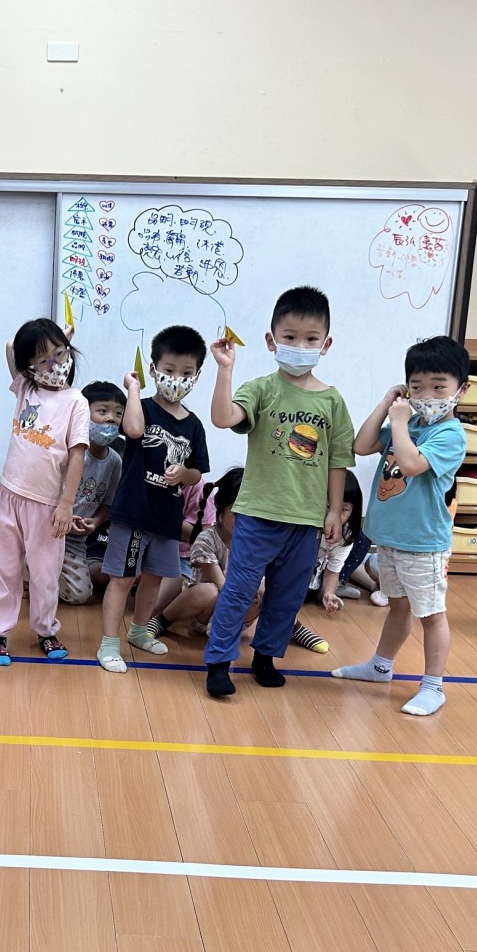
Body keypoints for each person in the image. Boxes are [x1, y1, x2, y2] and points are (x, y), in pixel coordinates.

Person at [204, 287, 356, 696]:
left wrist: (332, 510)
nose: (299, 346)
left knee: (287, 596)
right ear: (272, 341)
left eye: (310, 339)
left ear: (325, 344)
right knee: (239, 590)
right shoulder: (261, 389)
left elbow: (337, 460)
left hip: (305, 520)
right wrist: (224, 370)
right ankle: (218, 661)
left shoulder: (332, 401)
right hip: (258, 514)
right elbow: (222, 418)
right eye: (289, 337)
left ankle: (265, 656)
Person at [331, 335, 469, 715]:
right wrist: (385, 405)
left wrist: (400, 422)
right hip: (390, 540)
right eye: (417, 386)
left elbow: (409, 465)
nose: (426, 395)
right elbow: (361, 446)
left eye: (439, 387)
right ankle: (380, 667)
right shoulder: (406, 423)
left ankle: (434, 686)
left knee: (431, 615)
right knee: (398, 607)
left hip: (423, 544)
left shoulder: (449, 434)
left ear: (462, 389)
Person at [97, 325, 211, 674]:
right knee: (122, 579)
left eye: (187, 373)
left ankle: (138, 631)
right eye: (169, 370)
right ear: (154, 369)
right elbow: (133, 430)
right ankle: (109, 643)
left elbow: (197, 472)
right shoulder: (142, 408)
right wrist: (132, 388)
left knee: (154, 578)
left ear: (197, 376)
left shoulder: (194, 425)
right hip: (134, 512)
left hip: (167, 517)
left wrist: (183, 474)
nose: (177, 379)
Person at [0, 319, 89, 664]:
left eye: (60, 355)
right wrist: (52, 340)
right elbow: (10, 348)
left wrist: (66, 504)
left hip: (47, 507)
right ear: (29, 368)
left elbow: (77, 455)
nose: (54, 365)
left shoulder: (76, 401)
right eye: (43, 361)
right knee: (3, 569)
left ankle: (45, 629)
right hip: (8, 497)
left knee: (45, 575)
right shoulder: (25, 388)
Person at [150, 467, 262, 636]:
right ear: (220, 506)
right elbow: (221, 585)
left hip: (234, 614)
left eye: (249, 515)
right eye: (237, 514)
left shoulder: (252, 542)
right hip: (205, 612)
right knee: (209, 591)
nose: (243, 522)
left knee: (263, 589)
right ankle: (162, 620)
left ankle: (291, 628)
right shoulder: (206, 539)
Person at [58, 380, 124, 605]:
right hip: (49, 530)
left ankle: (45, 576)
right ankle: (32, 567)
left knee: (81, 595)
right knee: (40, 572)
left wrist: (95, 523)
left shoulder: (114, 461)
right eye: (102, 411)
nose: (111, 418)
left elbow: (107, 504)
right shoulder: (70, 450)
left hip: (76, 541)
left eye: (118, 413)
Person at [289, 469, 366, 654]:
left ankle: (330, 590)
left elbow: (333, 570)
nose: (335, 515)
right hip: (295, 578)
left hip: (315, 579)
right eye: (328, 507)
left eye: (344, 510)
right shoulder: (304, 525)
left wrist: (329, 593)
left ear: (354, 510)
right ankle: (292, 624)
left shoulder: (346, 533)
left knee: (363, 539)